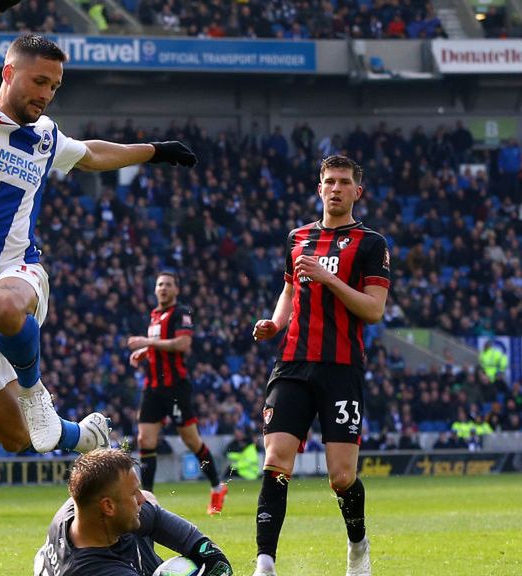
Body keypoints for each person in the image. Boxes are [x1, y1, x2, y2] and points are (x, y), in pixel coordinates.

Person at [0, 1, 197, 455]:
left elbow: (91, 154)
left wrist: (154, 150)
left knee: (3, 306)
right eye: (39, 81)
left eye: (54, 86)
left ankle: (36, 393)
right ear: (9, 73)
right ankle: (84, 435)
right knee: (17, 438)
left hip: (16, 270)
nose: (47, 93)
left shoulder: (47, 135)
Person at [251, 155, 390, 576]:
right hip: (292, 362)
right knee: (276, 461)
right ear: (319, 188)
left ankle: (358, 544)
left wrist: (328, 278)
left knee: (342, 477)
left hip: (341, 368)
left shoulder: (371, 244)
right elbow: (291, 290)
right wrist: (275, 322)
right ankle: (265, 564)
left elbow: (374, 310)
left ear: (356, 192)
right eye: (329, 181)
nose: (335, 188)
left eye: (344, 182)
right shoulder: (297, 238)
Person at [34, 448, 233, 576]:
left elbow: (152, 512)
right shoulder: (96, 570)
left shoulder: (79, 507)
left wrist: (209, 553)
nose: (141, 498)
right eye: (133, 493)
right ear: (108, 506)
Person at [127, 270, 227, 513]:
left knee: (191, 440)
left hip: (175, 387)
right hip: (152, 387)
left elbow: (183, 344)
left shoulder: (181, 313)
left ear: (176, 290)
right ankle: (147, 500)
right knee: (145, 440)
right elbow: (161, 345)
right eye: (160, 284)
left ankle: (216, 487)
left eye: (168, 285)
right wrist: (145, 353)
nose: (163, 288)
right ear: (155, 289)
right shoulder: (154, 315)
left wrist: (147, 343)